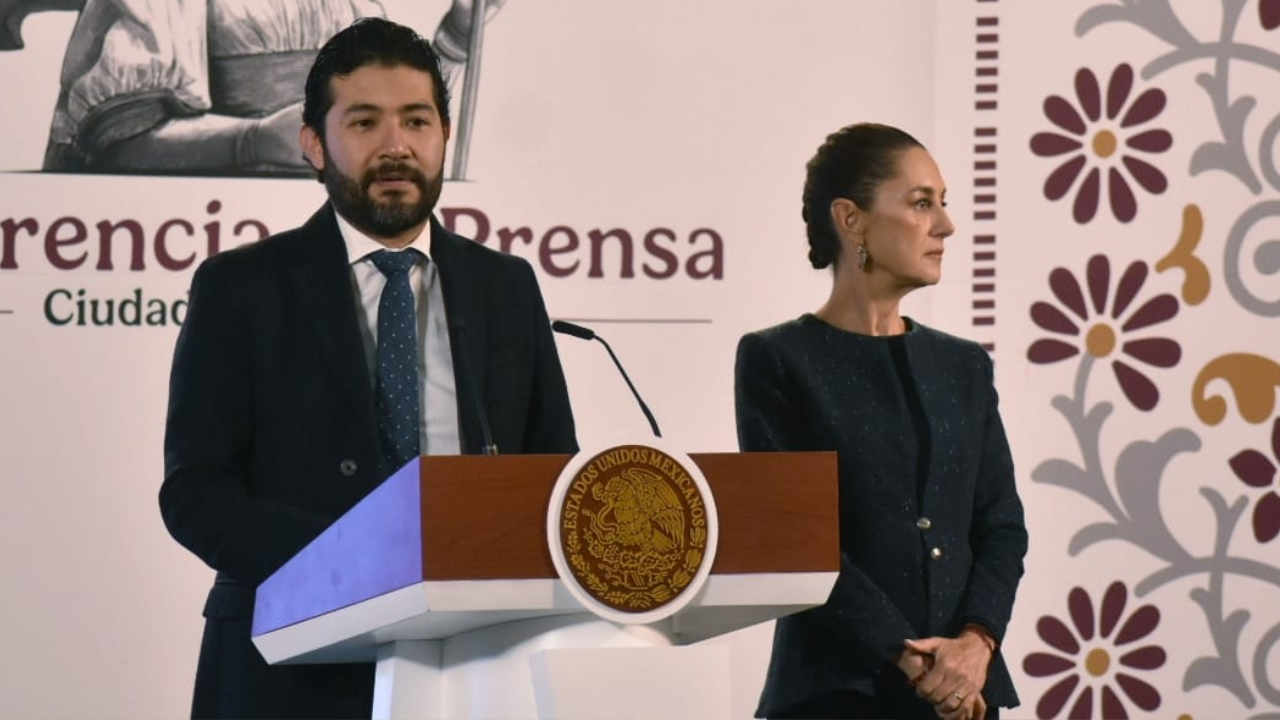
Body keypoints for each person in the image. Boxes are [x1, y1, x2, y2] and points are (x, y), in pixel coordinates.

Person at [159, 17, 577, 719]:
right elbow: (197, 492)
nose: (396, 146)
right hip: (289, 663)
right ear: (313, 145)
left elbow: (554, 470)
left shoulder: (505, 286)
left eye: (417, 121)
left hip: (476, 666)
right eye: (364, 122)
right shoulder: (243, 288)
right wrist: (356, 559)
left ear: (444, 137)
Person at [735, 123, 1027, 720]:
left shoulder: (964, 366)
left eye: (943, 204)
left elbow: (1002, 527)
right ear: (852, 219)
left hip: (965, 699)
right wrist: (914, 660)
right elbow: (795, 541)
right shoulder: (778, 360)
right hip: (833, 697)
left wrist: (976, 646)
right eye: (922, 203)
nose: (945, 226)